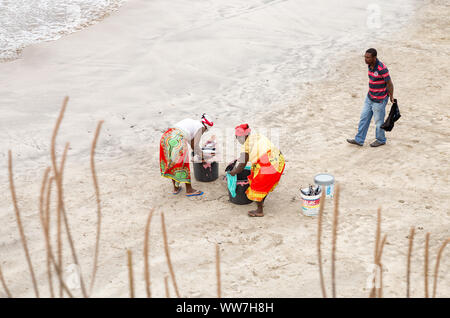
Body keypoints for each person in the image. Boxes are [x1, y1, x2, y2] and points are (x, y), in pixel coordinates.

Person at [229, 124, 285, 217]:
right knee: (257, 174)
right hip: (278, 160)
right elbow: (261, 150)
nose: (237, 139)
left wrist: (232, 172)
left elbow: (241, 167)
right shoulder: (258, 136)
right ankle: (262, 200)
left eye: (237, 137)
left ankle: (259, 210)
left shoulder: (245, 147)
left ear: (240, 137)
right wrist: (242, 158)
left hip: (269, 166)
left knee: (257, 186)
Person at [347, 48, 395, 147]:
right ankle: (359, 140)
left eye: (368, 58)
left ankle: (381, 140)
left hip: (379, 100)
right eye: (365, 57)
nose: (365, 59)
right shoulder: (369, 65)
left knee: (378, 122)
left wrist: (391, 96)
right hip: (369, 97)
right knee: (363, 118)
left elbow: (389, 83)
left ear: (374, 58)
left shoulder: (382, 68)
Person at [160, 113, 214, 196]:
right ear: (205, 126)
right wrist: (203, 158)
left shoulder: (191, 123)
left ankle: (176, 188)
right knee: (183, 164)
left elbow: (192, 144)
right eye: (205, 130)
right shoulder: (200, 127)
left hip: (166, 137)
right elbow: (195, 146)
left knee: (172, 163)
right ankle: (189, 190)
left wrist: (202, 155)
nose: (203, 132)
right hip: (177, 140)